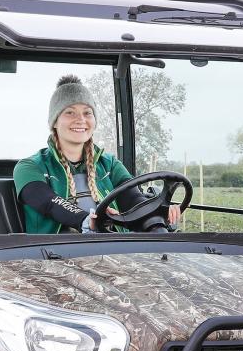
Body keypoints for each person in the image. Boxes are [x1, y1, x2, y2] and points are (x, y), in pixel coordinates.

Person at [13, 75, 182, 234]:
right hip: (51, 257)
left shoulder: (110, 164)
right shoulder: (29, 167)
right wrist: (88, 221)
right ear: (55, 121)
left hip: (112, 251)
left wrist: (156, 211)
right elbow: (48, 203)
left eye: (87, 112)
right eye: (70, 112)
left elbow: (132, 198)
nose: (81, 119)